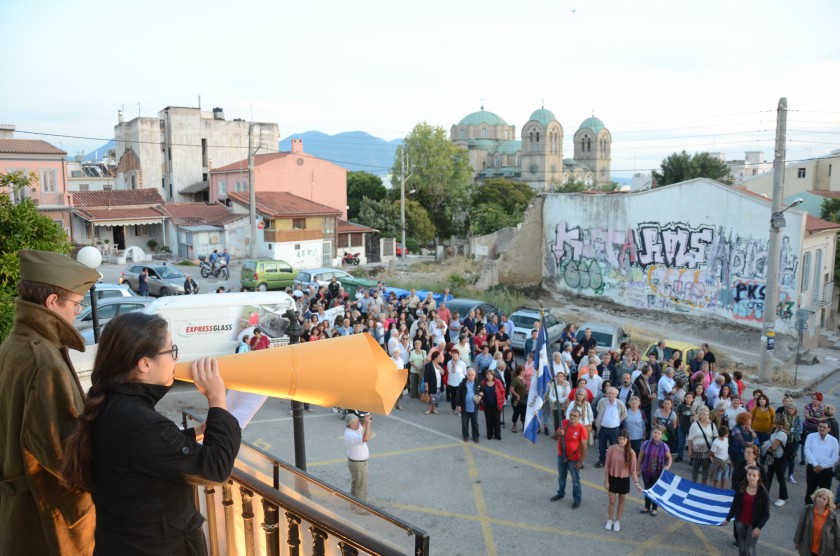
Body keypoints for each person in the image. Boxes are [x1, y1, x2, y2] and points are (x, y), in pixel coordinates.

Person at [61, 312, 241, 553]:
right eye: (171, 350)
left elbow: (140, 452)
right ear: (145, 364)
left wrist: (194, 434)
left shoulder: (110, 404)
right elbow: (215, 469)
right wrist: (217, 398)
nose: (176, 359)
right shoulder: (140, 422)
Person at [0, 250, 99, 555]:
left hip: (20, 510)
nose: (76, 313)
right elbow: (64, 455)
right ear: (52, 302)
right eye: (75, 305)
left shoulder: (12, 344)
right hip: (50, 521)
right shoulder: (45, 362)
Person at [724, 465, 770, 556]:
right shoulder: (741, 487)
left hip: (753, 525)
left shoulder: (763, 492)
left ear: (758, 477)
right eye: (749, 474)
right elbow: (734, 505)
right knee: (742, 546)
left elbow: (766, 514)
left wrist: (758, 527)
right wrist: (728, 518)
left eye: (754, 475)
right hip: (740, 522)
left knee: (750, 549)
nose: (751, 477)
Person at [603, 430, 642, 532]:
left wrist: (637, 484)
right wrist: (606, 481)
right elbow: (606, 466)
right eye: (620, 439)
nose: (621, 441)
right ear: (618, 439)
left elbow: (633, 470)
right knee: (612, 501)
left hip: (624, 479)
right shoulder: (612, 449)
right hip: (612, 478)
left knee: (622, 500)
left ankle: (617, 521)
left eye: (624, 439)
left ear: (627, 440)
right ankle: (610, 519)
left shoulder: (631, 453)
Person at [551, 408, 588, 509]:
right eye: (571, 415)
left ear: (579, 418)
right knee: (561, 477)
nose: (572, 417)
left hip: (573, 459)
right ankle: (561, 493)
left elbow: (584, 446)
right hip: (561, 456)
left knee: (575, 480)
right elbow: (553, 437)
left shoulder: (581, 429)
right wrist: (558, 433)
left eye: (575, 416)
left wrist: (581, 461)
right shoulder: (564, 423)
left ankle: (577, 500)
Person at [794, 488, 840, 556]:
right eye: (819, 496)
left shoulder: (834, 517)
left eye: (824, 499)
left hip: (825, 551)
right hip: (807, 548)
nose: (820, 499)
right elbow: (800, 525)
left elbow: (838, 535)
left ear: (828, 502)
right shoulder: (807, 509)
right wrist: (797, 541)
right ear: (815, 497)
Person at [638, 425, 672, 516]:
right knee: (647, 489)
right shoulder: (645, 444)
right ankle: (646, 506)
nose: (656, 434)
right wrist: (637, 470)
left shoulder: (664, 446)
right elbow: (640, 457)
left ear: (661, 435)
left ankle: (654, 508)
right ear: (652, 433)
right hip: (646, 471)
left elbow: (669, 458)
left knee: (655, 490)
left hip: (658, 473)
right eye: (655, 432)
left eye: (659, 433)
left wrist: (668, 466)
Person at [804, 421, 840, 504]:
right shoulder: (811, 436)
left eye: (824, 427)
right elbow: (807, 450)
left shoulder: (834, 441)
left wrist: (822, 466)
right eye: (820, 426)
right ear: (817, 427)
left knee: (825, 492)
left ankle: (821, 511)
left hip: (826, 471)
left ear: (829, 429)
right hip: (812, 468)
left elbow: (835, 457)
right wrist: (815, 465)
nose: (822, 428)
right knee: (810, 490)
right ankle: (808, 508)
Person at [594, 387, 627, 468]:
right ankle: (602, 461)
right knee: (602, 446)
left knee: (615, 446)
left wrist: (618, 420)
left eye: (613, 393)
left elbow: (624, 413)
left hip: (614, 430)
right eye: (609, 393)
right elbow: (598, 410)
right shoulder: (602, 401)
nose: (611, 395)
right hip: (603, 428)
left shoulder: (619, 403)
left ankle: (613, 462)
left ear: (616, 395)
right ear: (606, 394)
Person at [345, 414, 371, 501]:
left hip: (355, 462)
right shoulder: (351, 435)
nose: (359, 423)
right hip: (358, 464)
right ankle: (360, 509)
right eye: (357, 422)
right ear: (352, 424)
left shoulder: (351, 430)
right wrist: (368, 424)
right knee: (361, 486)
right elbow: (365, 438)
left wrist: (364, 420)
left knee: (355, 483)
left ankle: (353, 503)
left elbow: (361, 428)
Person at [688, 406, 717, 485]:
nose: (706, 416)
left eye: (707, 414)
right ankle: (694, 485)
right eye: (704, 414)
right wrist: (690, 450)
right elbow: (690, 439)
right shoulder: (694, 425)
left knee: (706, 471)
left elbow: (716, 437)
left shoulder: (712, 425)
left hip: (707, 452)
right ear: (699, 415)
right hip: (696, 452)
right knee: (695, 470)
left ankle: (703, 486)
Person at [765, 413, 790, 507]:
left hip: (779, 458)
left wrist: (766, 447)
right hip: (773, 458)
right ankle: (765, 494)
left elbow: (774, 447)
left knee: (780, 478)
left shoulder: (781, 433)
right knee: (769, 476)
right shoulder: (776, 431)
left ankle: (783, 497)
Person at [478, 369, 505, 440]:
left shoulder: (497, 382)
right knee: (488, 420)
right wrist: (480, 394)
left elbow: (503, 391)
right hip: (487, 405)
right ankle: (489, 434)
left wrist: (501, 401)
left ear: (493, 375)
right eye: (487, 374)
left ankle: (497, 435)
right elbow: (480, 391)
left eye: (490, 374)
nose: (489, 376)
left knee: (497, 420)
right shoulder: (483, 383)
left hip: (496, 405)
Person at [456, 368, 481, 443]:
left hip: (474, 407)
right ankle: (465, 436)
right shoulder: (462, 384)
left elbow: (482, 393)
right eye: (469, 375)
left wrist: (480, 397)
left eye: (472, 375)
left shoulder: (478, 384)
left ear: (475, 375)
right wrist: (458, 405)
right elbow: (458, 395)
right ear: (467, 375)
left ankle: (476, 437)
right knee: (464, 423)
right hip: (464, 407)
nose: (471, 377)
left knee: (475, 423)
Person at [422, 350, 444, 415]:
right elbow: (426, 377)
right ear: (435, 358)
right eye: (439, 357)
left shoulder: (440, 364)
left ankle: (433, 409)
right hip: (431, 384)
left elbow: (443, 373)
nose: (441, 358)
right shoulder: (428, 365)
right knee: (431, 398)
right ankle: (429, 409)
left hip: (439, 384)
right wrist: (426, 387)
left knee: (436, 398)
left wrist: (439, 367)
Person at [710, 425, 731, 490]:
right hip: (718, 463)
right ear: (725, 434)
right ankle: (715, 490)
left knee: (724, 477)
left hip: (726, 461)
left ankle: (722, 490)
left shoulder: (726, 439)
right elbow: (711, 453)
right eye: (727, 433)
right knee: (717, 478)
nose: (728, 434)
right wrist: (716, 460)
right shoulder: (716, 443)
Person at [446, 350, 466, 414]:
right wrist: (453, 365)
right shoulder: (449, 363)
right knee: (453, 397)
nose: (454, 355)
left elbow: (464, 373)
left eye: (455, 353)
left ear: (458, 354)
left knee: (459, 397)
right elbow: (451, 371)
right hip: (452, 382)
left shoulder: (462, 363)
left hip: (459, 382)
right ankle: (453, 409)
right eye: (453, 354)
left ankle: (459, 410)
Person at [510, 366, 528, 433]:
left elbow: (524, 387)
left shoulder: (523, 379)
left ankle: (524, 426)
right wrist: (517, 395)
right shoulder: (515, 379)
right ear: (520, 371)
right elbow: (511, 389)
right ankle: (514, 426)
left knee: (524, 412)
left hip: (524, 399)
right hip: (517, 400)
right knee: (516, 413)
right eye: (523, 370)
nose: (524, 372)